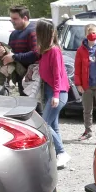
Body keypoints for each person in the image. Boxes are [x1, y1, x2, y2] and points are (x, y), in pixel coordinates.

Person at [33, 19, 71, 172]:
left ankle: (62, 152)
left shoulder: (54, 50)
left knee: (43, 124)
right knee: (53, 126)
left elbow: (57, 75)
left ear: (42, 33)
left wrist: (55, 95)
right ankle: (59, 156)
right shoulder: (45, 50)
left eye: (37, 32)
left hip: (58, 92)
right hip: (52, 91)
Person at [7, 5, 39, 94]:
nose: (12, 21)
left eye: (15, 19)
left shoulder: (33, 31)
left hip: (33, 79)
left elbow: (36, 54)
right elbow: (10, 52)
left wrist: (14, 57)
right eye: (11, 19)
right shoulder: (14, 34)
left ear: (25, 18)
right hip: (21, 78)